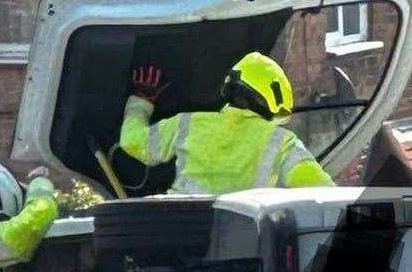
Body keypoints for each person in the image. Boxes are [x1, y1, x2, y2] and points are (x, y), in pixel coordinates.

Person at [120, 52, 334, 193]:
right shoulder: (282, 142)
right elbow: (323, 193)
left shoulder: (188, 124)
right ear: (272, 104)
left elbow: (132, 142)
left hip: (182, 236)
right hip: (245, 245)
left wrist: (141, 100)